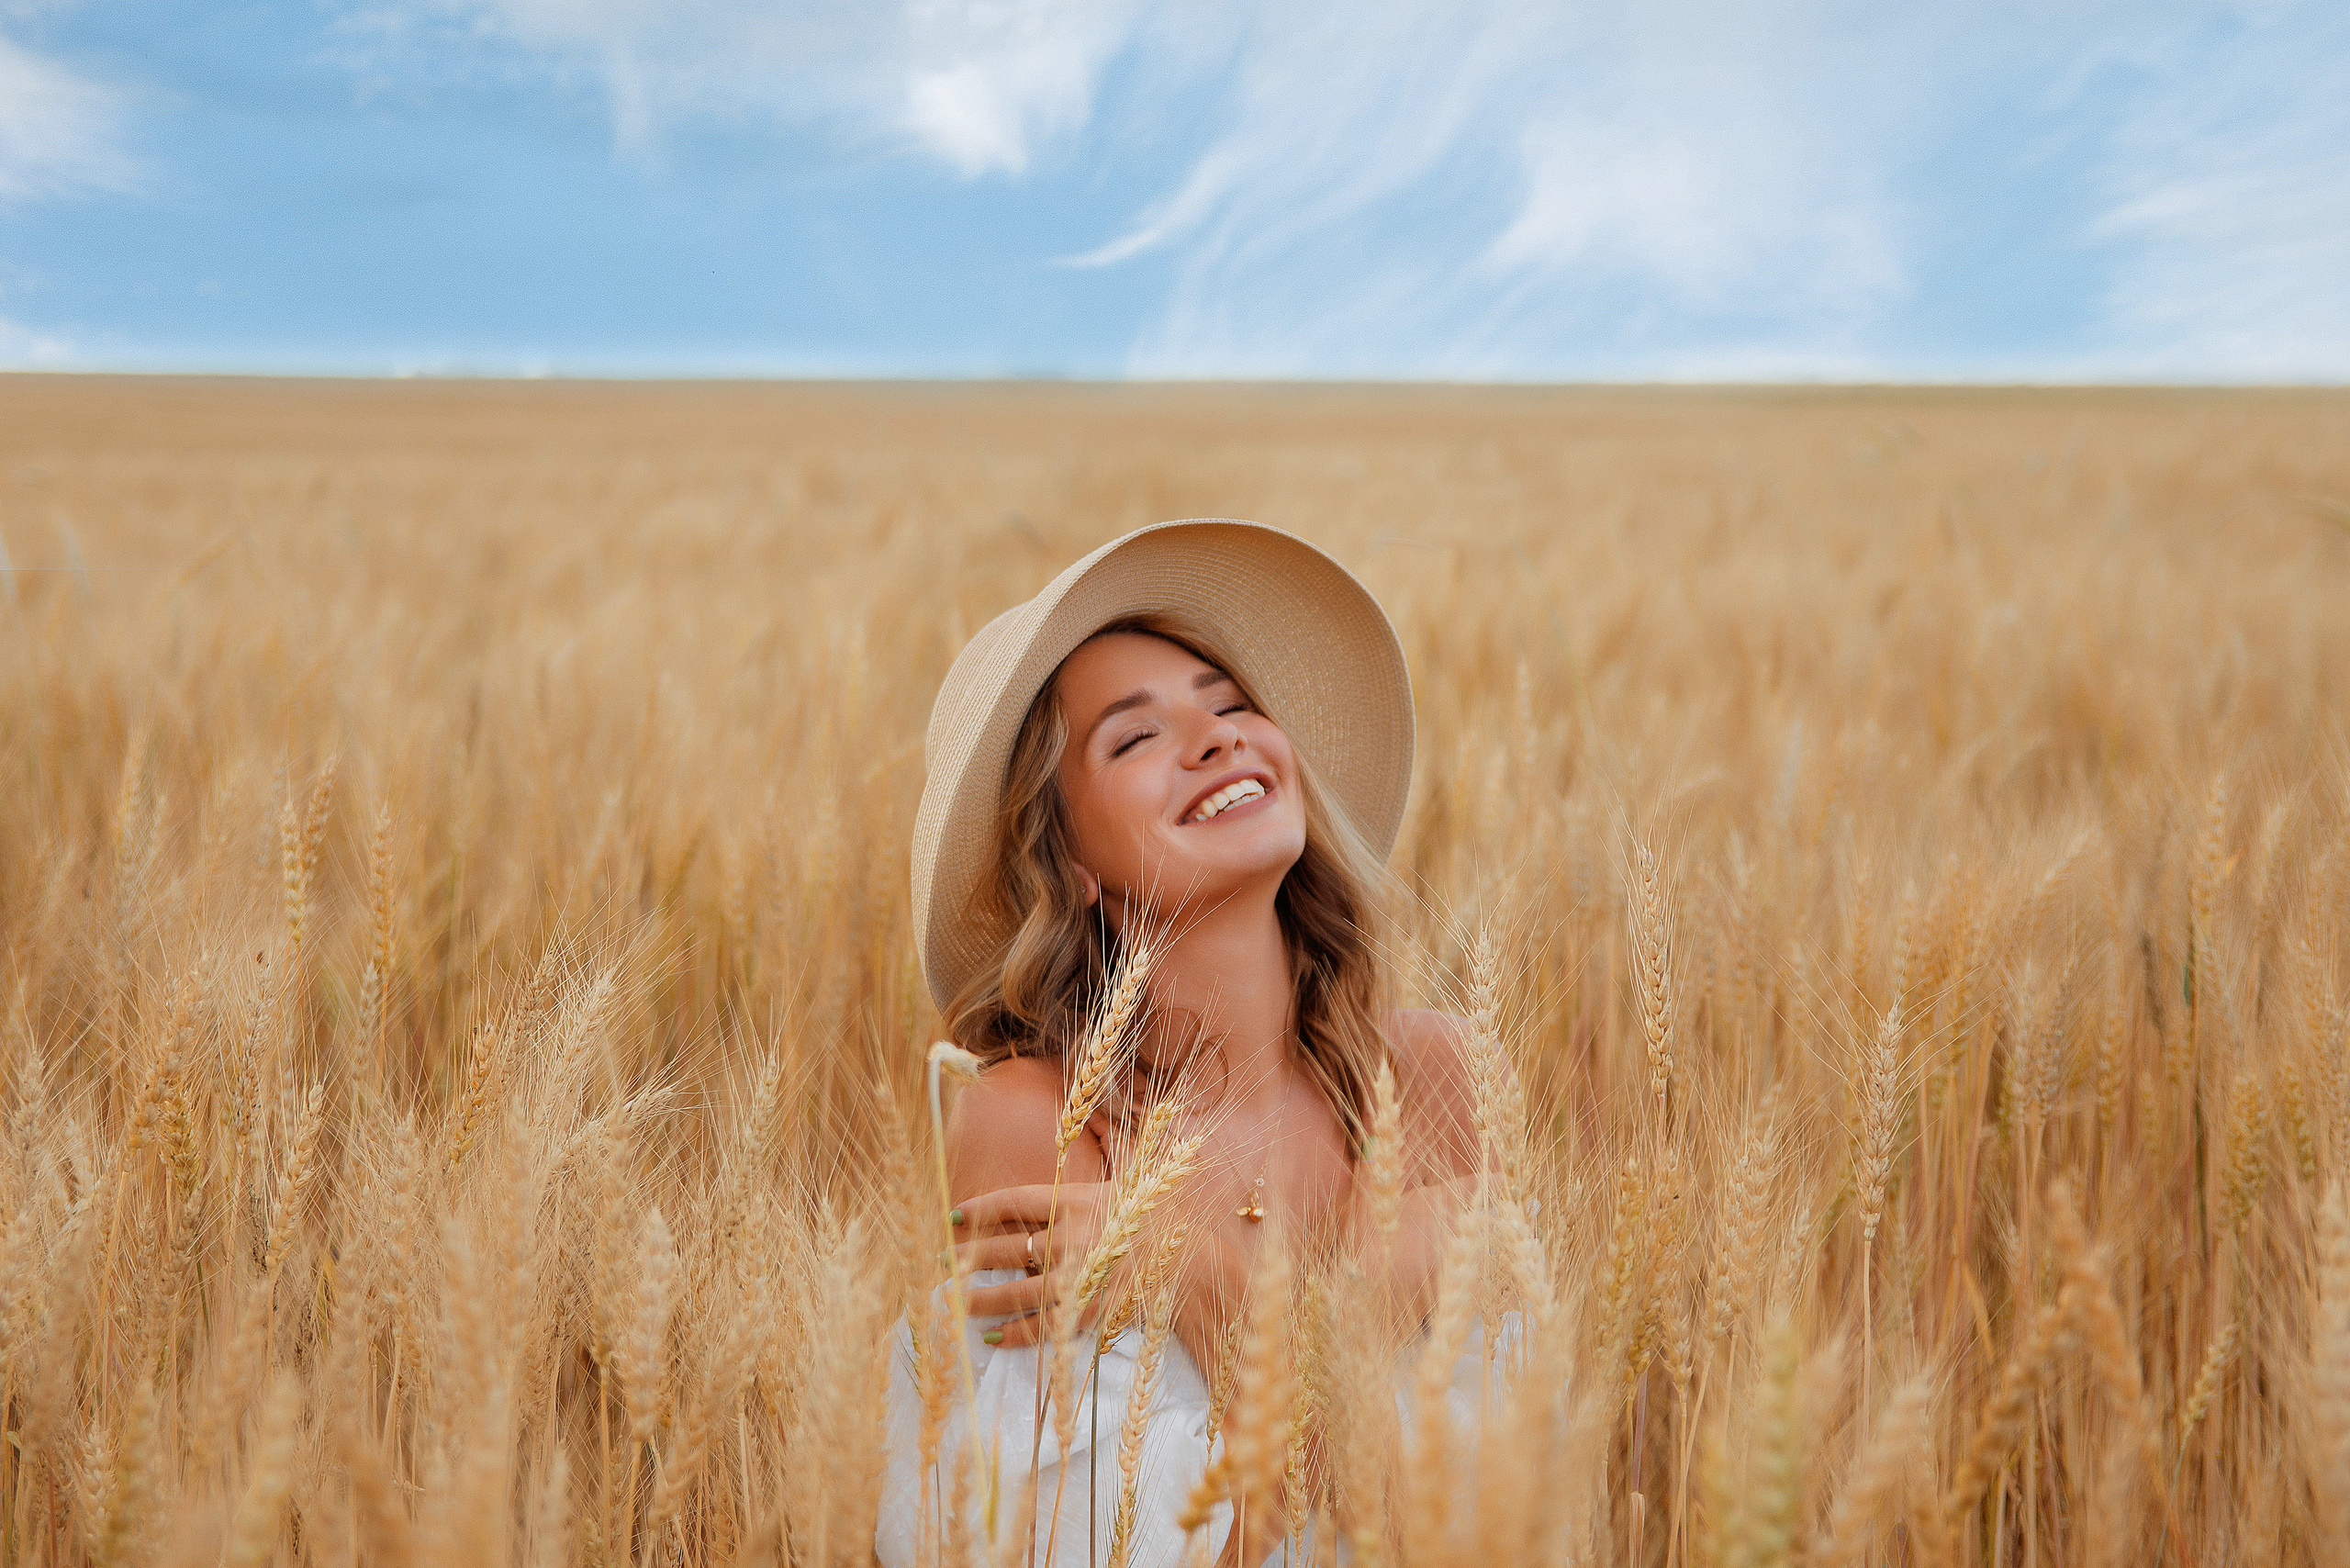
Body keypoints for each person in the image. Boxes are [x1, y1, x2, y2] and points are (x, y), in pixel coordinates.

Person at [880, 519, 1493, 1568]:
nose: (1217, 740)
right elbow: (1088, 1543)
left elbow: (1481, 1509)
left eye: (1230, 704)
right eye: (1134, 737)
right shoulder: (1034, 1120)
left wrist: (1202, 1275)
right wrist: (1324, 1329)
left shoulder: (1431, 1071)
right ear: (1068, 861)